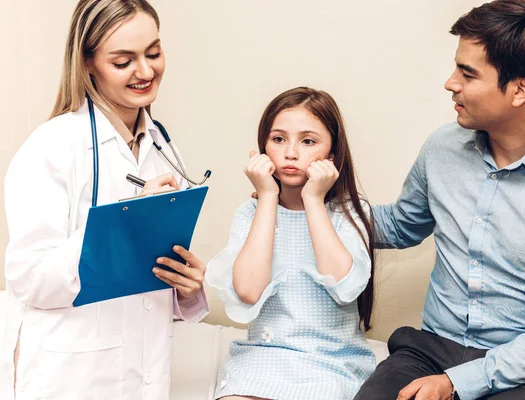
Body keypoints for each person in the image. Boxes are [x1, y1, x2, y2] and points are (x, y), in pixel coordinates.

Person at [354, 1, 525, 399]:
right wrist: (311, 202)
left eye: (467, 74)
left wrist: (455, 384)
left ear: (522, 89)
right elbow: (400, 225)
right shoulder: (442, 147)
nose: (450, 83)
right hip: (431, 351)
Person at [1, 1, 209, 398]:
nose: (146, 72)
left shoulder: (164, 147)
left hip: (144, 371)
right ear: (88, 63)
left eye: (153, 52)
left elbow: (150, 273)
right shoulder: (52, 146)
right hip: (71, 376)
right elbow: (29, 279)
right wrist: (124, 222)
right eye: (123, 61)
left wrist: (185, 288)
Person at [205, 87, 376, 400]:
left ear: (332, 155)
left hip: (330, 363)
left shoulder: (351, 212)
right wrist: (268, 195)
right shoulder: (251, 213)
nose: (291, 153)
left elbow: (344, 284)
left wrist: (313, 198)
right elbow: (248, 290)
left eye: (308, 141)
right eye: (278, 139)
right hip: (263, 359)